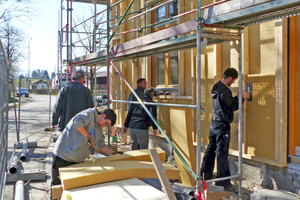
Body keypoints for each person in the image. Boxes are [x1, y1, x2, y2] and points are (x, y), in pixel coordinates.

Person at [200, 68, 249, 192]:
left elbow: (224, 103)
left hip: (214, 123)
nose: (232, 83)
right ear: (229, 78)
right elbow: (232, 106)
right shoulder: (225, 91)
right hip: (222, 125)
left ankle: (205, 175)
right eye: (233, 81)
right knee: (222, 153)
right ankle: (223, 182)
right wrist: (242, 97)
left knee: (211, 149)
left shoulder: (216, 86)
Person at [51, 108, 117, 186]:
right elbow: (77, 122)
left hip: (77, 159)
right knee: (57, 187)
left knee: (74, 186)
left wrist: (113, 153)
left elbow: (100, 144)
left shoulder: (98, 128)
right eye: (106, 123)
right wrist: (89, 137)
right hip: (63, 155)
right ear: (103, 116)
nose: (104, 126)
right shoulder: (89, 114)